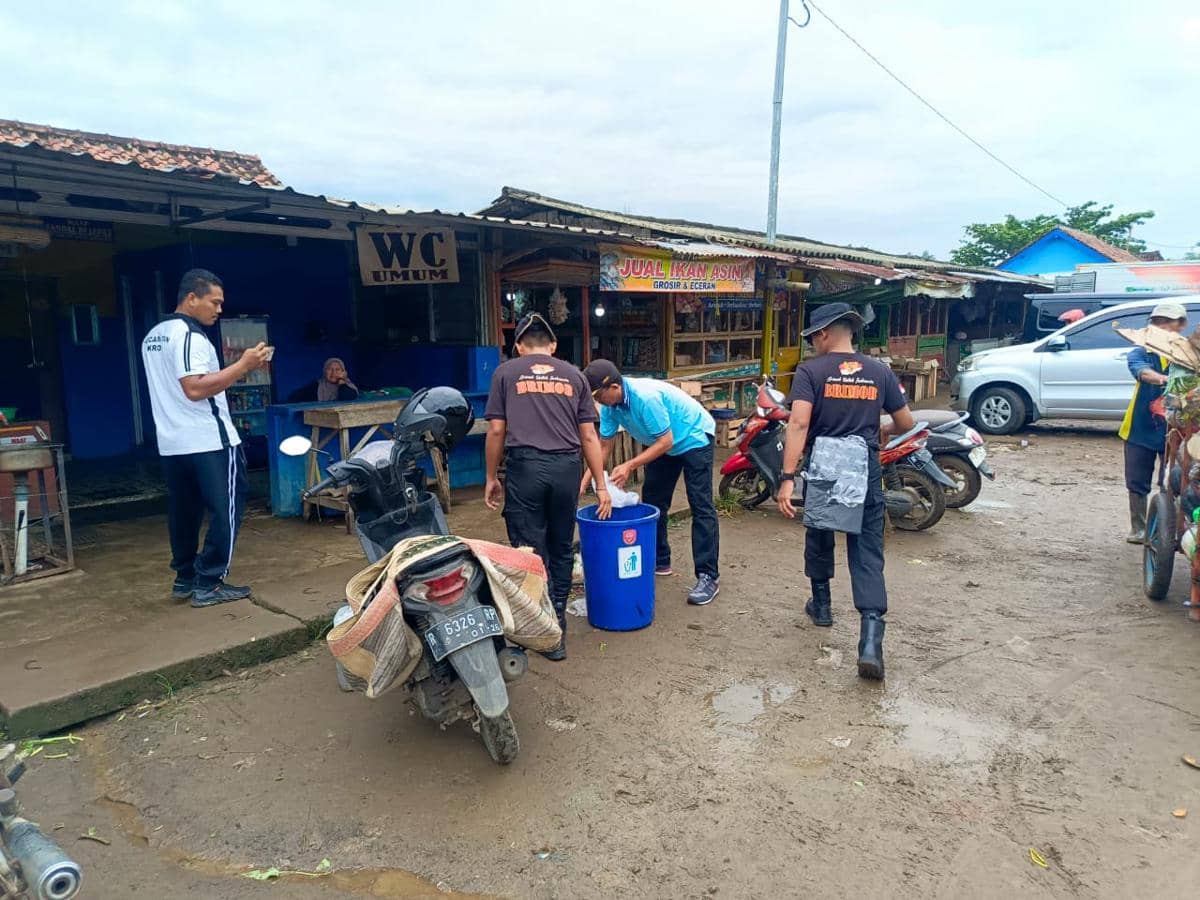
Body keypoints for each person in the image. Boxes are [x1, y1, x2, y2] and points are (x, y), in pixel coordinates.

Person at [776, 302, 913, 680]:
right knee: (866, 548)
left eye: (813, 337)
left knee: (819, 532)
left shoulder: (810, 371)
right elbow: (905, 421)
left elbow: (799, 424)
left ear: (823, 333)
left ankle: (821, 608)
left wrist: (787, 477)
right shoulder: (879, 371)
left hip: (825, 463)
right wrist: (880, 430)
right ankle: (870, 641)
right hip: (862, 465)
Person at [141, 269, 272, 608]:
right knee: (225, 509)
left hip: (172, 443)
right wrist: (244, 366)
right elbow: (195, 387)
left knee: (183, 511)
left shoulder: (154, 336)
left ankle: (185, 577)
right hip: (210, 441)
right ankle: (210, 581)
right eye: (214, 302)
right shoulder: (190, 336)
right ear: (191, 298)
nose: (219, 310)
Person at [484, 313, 611, 661]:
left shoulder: (505, 373)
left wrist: (492, 477)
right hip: (567, 469)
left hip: (525, 468)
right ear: (552, 346)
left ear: (520, 346)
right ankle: (557, 633)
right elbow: (589, 435)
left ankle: (535, 627)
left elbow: (496, 430)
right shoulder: (574, 375)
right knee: (560, 547)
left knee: (528, 548)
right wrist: (601, 485)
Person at [583, 359, 721, 606]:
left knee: (701, 505)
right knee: (655, 502)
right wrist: (587, 478)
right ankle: (660, 560)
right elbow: (604, 446)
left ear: (614, 387)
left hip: (693, 437)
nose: (598, 402)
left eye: (599, 395)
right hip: (663, 443)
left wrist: (630, 465)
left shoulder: (644, 398)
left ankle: (708, 575)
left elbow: (666, 441)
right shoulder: (610, 407)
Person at [1120, 301, 1188, 542]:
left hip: (1177, 427)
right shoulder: (1141, 351)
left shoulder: (1187, 354)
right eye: (1159, 325)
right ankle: (1138, 528)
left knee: (1170, 480)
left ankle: (1161, 528)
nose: (1165, 330)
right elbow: (1140, 370)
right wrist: (1164, 380)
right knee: (1137, 480)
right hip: (1140, 425)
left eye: (1171, 325)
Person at [287, 358, 360, 403]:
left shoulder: (349, 386)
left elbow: (346, 397)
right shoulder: (317, 386)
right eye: (329, 369)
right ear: (324, 372)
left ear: (343, 372)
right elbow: (293, 397)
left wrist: (341, 381)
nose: (333, 372)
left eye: (337, 369)